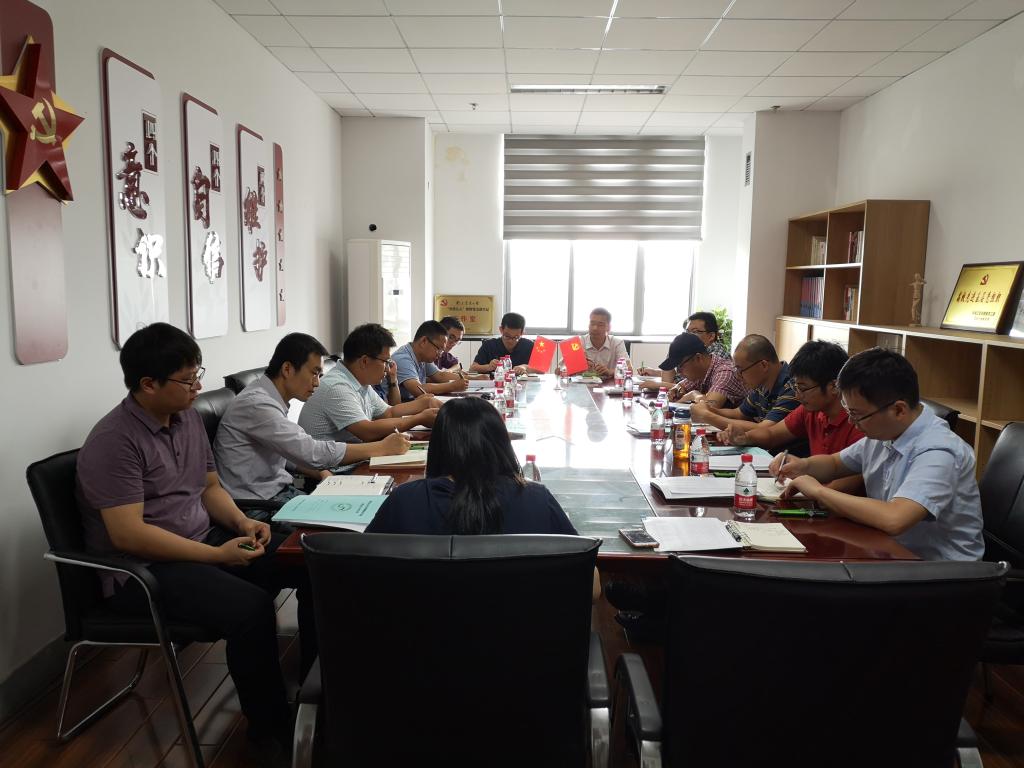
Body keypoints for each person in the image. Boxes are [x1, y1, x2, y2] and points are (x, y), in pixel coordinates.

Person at [75, 323, 308, 760]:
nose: (198, 387)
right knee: (250, 609)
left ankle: (315, 685)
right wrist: (215, 555)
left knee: (307, 560)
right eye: (187, 380)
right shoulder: (114, 441)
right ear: (148, 384)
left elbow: (210, 488)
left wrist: (242, 523)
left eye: (197, 374)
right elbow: (129, 534)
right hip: (143, 571)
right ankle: (270, 729)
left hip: (202, 540)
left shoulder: (186, 419)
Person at [365, 397, 600, 599]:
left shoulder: (404, 500)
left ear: (438, 446)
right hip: (521, 635)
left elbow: (363, 571)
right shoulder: (535, 498)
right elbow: (592, 588)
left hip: (419, 635)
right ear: (501, 444)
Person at [777, 347, 984, 561]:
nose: (851, 422)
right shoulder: (886, 433)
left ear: (899, 410)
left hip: (941, 571)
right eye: (848, 412)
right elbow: (835, 463)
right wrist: (803, 465)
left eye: (857, 415)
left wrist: (819, 492)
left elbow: (895, 518)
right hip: (890, 553)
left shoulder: (939, 451)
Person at [214, 333, 410, 501]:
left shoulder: (269, 398)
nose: (317, 383)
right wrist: (382, 447)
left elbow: (287, 452)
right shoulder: (258, 405)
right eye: (314, 373)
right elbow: (310, 451)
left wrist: (321, 472)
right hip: (259, 504)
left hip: (280, 492)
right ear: (287, 369)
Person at [299, 323, 443, 443]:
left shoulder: (360, 382)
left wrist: (425, 404)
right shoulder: (337, 387)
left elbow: (389, 412)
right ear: (365, 361)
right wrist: (418, 418)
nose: (387, 368)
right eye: (385, 361)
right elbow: (367, 431)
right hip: (332, 467)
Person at [689, 334, 799, 430]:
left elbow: (765, 429)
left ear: (763, 365)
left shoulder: (793, 387)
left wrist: (707, 416)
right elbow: (738, 413)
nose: (738, 376)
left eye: (741, 370)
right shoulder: (762, 383)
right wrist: (709, 409)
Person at [659, 332, 746, 407]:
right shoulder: (701, 371)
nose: (678, 372)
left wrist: (693, 394)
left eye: (680, 366)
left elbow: (709, 406)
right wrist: (675, 390)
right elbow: (681, 386)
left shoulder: (725, 373)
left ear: (698, 358)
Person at [391, 319, 470, 401]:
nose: (440, 355)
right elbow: (418, 389)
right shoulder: (403, 358)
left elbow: (440, 376)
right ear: (424, 341)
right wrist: (452, 386)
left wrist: (471, 379)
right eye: (439, 349)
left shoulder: (422, 356)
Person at [470, 312, 539, 375]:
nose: (511, 341)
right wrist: (488, 367)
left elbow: (541, 369)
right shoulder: (489, 345)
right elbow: (472, 368)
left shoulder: (529, 345)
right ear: (501, 330)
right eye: (507, 336)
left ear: (522, 333)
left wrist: (525, 367)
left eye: (516, 337)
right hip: (495, 382)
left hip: (523, 383)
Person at [581, 307, 627, 380]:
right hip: (584, 384)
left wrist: (610, 372)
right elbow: (562, 370)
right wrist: (580, 367)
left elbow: (628, 369)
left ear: (608, 327)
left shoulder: (617, 343)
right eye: (592, 323)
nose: (595, 328)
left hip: (609, 385)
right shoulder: (578, 343)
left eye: (600, 325)